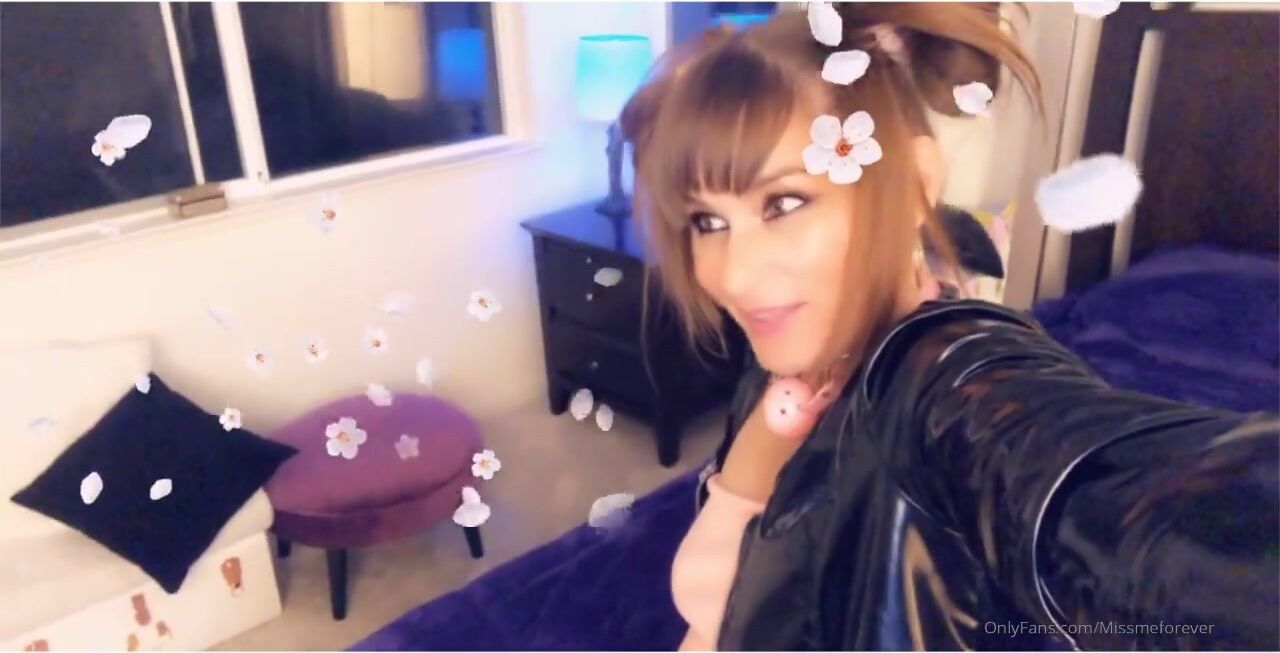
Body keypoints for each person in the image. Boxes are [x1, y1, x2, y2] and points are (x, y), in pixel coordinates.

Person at [619, 3, 1279, 650]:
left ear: (913, 183)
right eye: (707, 221)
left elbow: (1146, 520)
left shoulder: (944, 388)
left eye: (784, 203)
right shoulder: (789, 352)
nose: (733, 276)